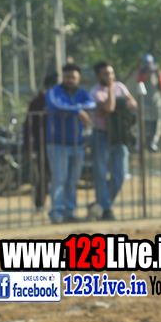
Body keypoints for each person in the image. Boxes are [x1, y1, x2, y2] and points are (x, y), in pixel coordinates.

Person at [45, 63, 95, 224]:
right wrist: (78, 111)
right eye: (67, 77)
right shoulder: (54, 91)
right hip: (57, 143)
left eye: (73, 77)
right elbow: (54, 104)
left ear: (78, 78)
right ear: (63, 77)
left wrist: (74, 108)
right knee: (59, 179)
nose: (70, 80)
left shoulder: (82, 93)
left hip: (77, 144)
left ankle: (70, 213)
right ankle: (57, 213)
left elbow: (92, 104)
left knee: (73, 181)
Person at [90, 61, 136, 221]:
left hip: (119, 136)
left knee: (120, 175)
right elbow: (108, 108)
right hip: (101, 136)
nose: (110, 77)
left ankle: (100, 204)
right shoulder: (95, 92)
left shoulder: (121, 87)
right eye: (105, 74)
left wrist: (117, 103)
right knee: (101, 175)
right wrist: (111, 90)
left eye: (111, 73)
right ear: (97, 76)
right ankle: (106, 210)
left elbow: (133, 103)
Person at [22, 72, 57, 212]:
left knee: (60, 176)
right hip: (42, 144)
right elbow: (28, 126)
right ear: (49, 85)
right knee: (44, 175)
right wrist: (27, 146)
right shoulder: (37, 102)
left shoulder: (60, 99)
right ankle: (40, 205)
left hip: (59, 143)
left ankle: (59, 206)